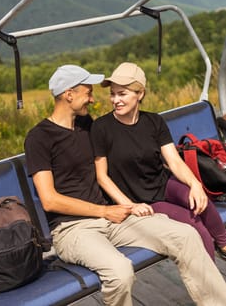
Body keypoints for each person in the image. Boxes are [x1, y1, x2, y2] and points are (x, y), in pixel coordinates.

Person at [24, 64, 226, 306]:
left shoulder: (89, 126)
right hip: (73, 228)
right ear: (69, 94)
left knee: (186, 235)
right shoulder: (39, 138)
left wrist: (122, 207)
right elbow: (49, 199)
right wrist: (106, 210)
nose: (92, 98)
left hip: (113, 218)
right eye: (87, 92)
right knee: (120, 271)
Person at [90, 62, 226, 262]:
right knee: (195, 226)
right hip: (141, 199)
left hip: (163, 184)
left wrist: (195, 184)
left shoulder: (154, 122)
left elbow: (174, 161)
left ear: (140, 94)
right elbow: (101, 176)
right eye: (113, 94)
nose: (115, 100)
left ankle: (223, 245)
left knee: (199, 200)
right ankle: (213, 286)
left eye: (122, 94)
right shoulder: (101, 128)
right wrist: (130, 206)